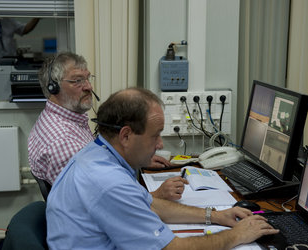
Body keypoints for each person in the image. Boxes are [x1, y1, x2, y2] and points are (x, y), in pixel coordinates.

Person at [46, 87, 279, 249]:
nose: (160, 145)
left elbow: (148, 204)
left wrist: (215, 216)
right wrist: (236, 235)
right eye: (155, 136)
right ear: (126, 135)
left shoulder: (97, 153)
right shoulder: (108, 182)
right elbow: (172, 248)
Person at [28, 52, 187, 201]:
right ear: (53, 88)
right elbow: (97, 201)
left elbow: (98, 162)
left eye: (88, 78)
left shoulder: (68, 119)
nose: (88, 87)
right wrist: (156, 195)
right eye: (77, 81)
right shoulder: (63, 142)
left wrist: (135, 157)